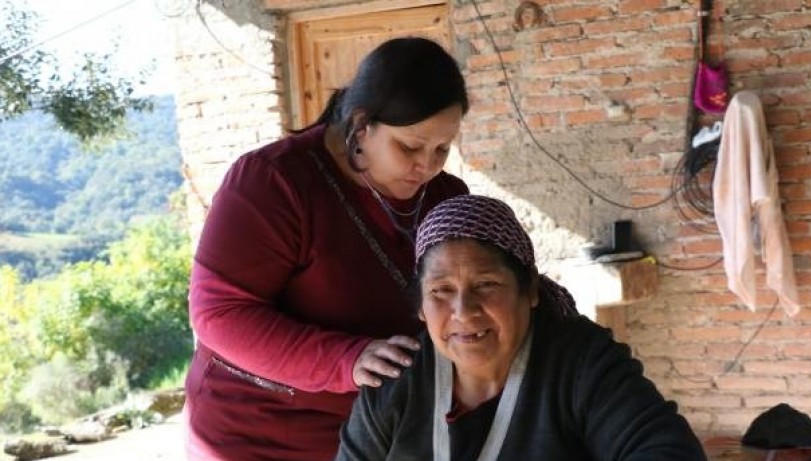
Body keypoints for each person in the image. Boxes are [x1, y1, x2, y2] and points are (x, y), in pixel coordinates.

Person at [183, 37, 470, 461]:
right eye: (409, 146)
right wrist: (346, 360)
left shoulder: (445, 197)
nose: (426, 166)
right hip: (257, 434)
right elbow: (219, 314)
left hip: (381, 434)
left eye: (442, 148)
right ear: (361, 125)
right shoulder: (275, 180)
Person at [335, 195, 707, 460]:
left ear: (529, 289)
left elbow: (667, 450)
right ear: (420, 305)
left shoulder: (581, 363)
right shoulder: (398, 380)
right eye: (441, 291)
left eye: (486, 285)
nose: (463, 311)